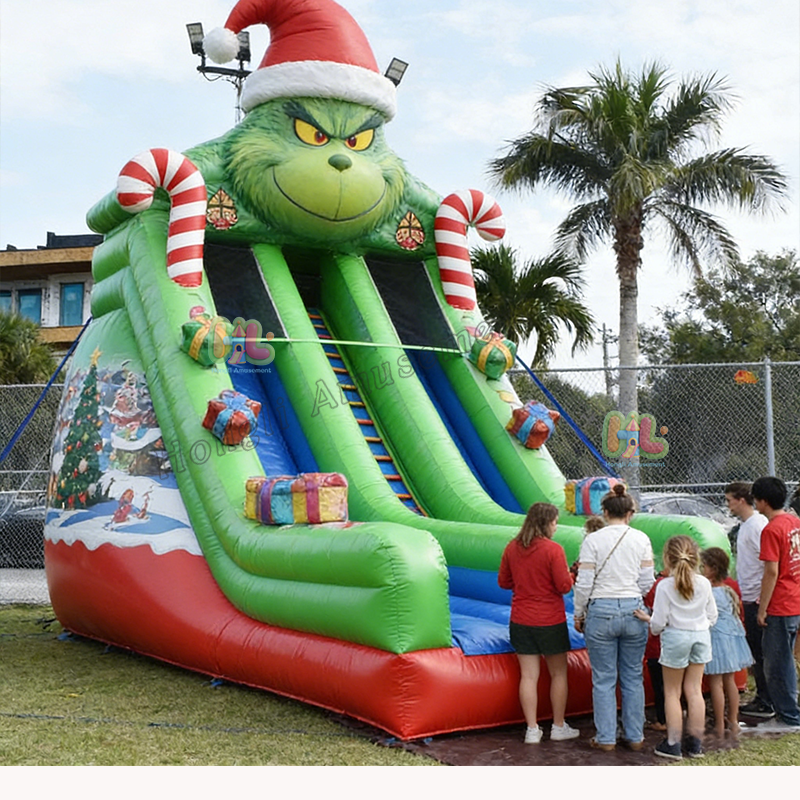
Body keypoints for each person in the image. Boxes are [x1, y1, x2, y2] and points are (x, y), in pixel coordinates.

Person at [573, 484, 654, 752]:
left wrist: (579, 612)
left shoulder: (592, 540)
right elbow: (646, 581)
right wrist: (632, 595)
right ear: (630, 512)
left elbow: (584, 583)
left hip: (601, 611)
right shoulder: (641, 539)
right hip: (633, 609)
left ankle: (606, 737)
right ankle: (635, 736)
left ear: (605, 512)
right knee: (632, 676)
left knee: (604, 678)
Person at [498, 502, 580, 744]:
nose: (556, 527)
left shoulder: (512, 547)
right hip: (549, 620)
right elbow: (564, 586)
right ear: (546, 523)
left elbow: (503, 582)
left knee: (529, 676)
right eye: (555, 522)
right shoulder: (554, 550)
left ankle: (532, 729)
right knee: (558, 674)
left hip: (521, 618)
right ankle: (558, 725)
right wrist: (572, 574)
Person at [635, 536, 718, 760]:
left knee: (672, 692)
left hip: (675, 638)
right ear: (696, 557)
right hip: (700, 636)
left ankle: (672, 743)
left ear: (667, 558)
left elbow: (659, 622)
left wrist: (651, 622)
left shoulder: (664, 586)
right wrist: (699, 626)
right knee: (694, 690)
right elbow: (712, 615)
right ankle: (695, 743)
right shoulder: (704, 583)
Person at [741, 477, 800, 733]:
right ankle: (789, 709)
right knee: (785, 660)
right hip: (794, 600)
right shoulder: (794, 522)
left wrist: (762, 608)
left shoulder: (771, 529)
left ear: (762, 501)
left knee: (776, 664)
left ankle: (788, 715)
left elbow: (771, 572)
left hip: (780, 604)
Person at [724, 481, 771, 717]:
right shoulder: (747, 526)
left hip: (757, 597)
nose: (728, 505)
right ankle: (764, 696)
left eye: (730, 500)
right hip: (750, 594)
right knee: (757, 650)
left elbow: (768, 563)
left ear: (741, 500)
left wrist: (763, 599)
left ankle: (766, 699)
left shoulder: (756, 526)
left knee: (761, 651)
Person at [700, 547, 754, 739]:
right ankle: (733, 719)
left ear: (712, 569)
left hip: (716, 638)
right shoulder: (729, 590)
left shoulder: (708, 592)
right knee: (729, 681)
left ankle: (720, 723)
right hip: (732, 638)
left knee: (715, 682)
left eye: (703, 566)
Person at [642, 566, 669, 732]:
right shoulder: (695, 581)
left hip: (657, 646)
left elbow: (655, 617)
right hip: (680, 644)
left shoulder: (659, 586)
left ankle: (663, 719)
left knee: (661, 687)